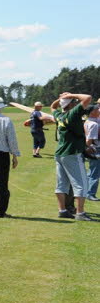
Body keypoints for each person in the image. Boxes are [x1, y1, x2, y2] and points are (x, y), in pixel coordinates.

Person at [50, 92, 94, 220]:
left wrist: (61, 99)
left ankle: (62, 210)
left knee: (61, 184)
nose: (76, 103)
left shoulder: (59, 115)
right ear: (70, 105)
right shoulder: (73, 113)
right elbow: (88, 98)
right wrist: (70, 95)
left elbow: (53, 107)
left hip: (60, 153)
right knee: (81, 184)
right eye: (73, 102)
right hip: (72, 153)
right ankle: (80, 213)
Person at [84, 102, 100, 201]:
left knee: (91, 171)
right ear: (92, 112)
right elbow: (89, 140)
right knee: (95, 173)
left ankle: (86, 191)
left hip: (92, 149)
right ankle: (90, 193)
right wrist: (90, 147)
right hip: (96, 149)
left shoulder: (88, 121)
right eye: (96, 109)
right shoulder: (94, 124)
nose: (98, 110)